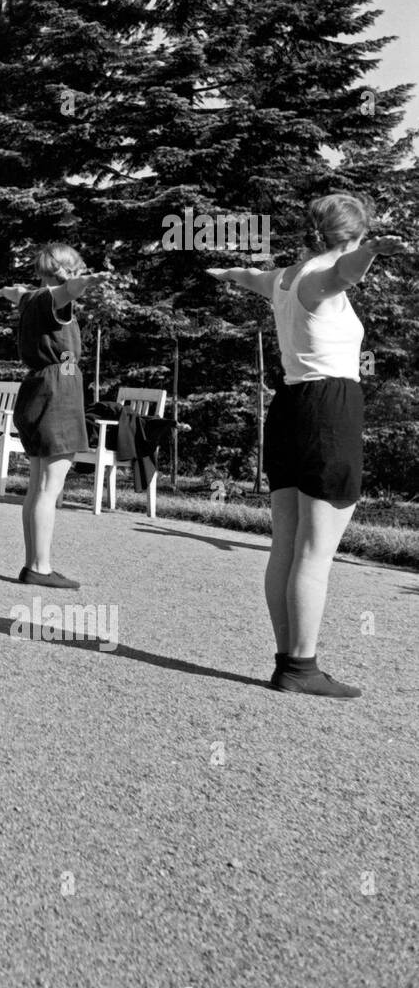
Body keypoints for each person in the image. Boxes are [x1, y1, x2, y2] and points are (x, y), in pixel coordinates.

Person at [208, 194, 408, 699]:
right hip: (328, 411)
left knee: (287, 546)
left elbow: (253, 278)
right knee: (315, 552)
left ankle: (289, 663)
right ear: (356, 233)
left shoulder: (283, 277)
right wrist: (374, 251)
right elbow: (347, 271)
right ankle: (301, 667)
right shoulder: (324, 278)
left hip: (290, 409)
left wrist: (231, 273)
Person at [0, 244, 104, 589]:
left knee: (37, 487)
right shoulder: (54, 297)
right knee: (49, 488)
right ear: (69, 269)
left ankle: (34, 564)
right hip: (57, 393)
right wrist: (88, 280)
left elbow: (17, 292)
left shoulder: (31, 297)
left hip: (37, 390)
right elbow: (70, 289)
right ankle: (41, 567)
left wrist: (7, 291)